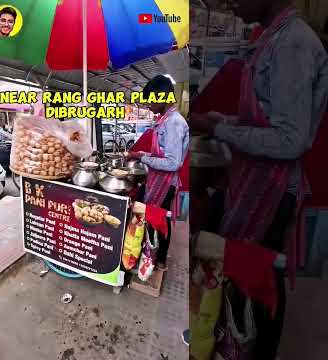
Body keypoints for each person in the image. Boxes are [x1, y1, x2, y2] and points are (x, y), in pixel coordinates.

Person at [190, 0, 328, 359]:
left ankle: (257, 349)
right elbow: (265, 119)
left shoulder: (293, 44)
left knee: (259, 275)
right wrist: (218, 120)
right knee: (246, 270)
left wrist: (219, 127)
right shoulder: (274, 38)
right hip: (254, 179)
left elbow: (290, 140)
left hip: (272, 188)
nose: (229, 3)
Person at [130, 75, 189, 270]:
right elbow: (161, 152)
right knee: (155, 218)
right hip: (157, 179)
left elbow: (173, 163)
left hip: (166, 183)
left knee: (160, 220)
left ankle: (160, 259)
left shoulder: (174, 123)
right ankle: (152, 255)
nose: (147, 105)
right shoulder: (165, 120)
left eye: (150, 101)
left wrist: (142, 158)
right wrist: (142, 153)